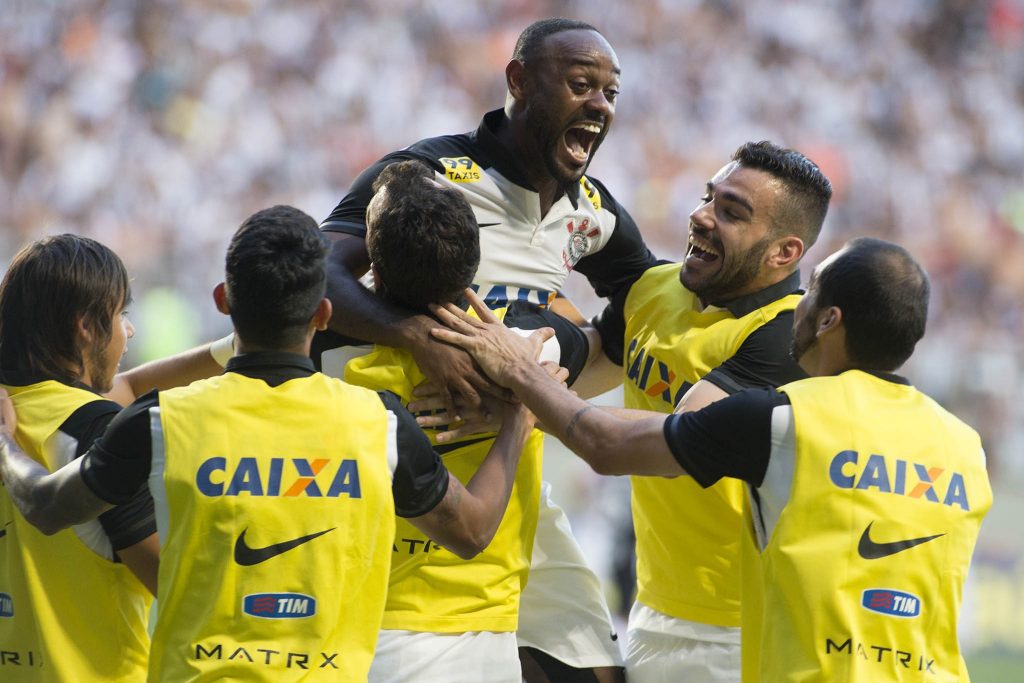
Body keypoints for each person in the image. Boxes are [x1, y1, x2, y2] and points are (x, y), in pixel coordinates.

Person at [0, 206, 539, 682]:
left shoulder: (159, 423)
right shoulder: (377, 423)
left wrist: (7, 444)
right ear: (323, 315)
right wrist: (519, 413)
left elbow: (46, 505)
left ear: (223, 301)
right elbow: (472, 531)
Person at [428, 237, 993, 682]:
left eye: (813, 288)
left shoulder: (785, 419)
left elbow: (605, 443)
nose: (799, 300)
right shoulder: (964, 448)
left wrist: (518, 375)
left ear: (829, 319)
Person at [318, 18, 657, 680]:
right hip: (396, 462)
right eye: (581, 83)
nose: (599, 105)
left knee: (590, 664)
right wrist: (413, 335)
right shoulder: (430, 173)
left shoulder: (595, 213)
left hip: (509, 466)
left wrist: (540, 376)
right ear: (518, 81)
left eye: (611, 92)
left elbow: (639, 308)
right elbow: (321, 270)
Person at [326, 159, 593, 682]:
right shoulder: (532, 356)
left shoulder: (322, 356)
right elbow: (598, 333)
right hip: (479, 639)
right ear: (473, 268)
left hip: (356, 637)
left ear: (373, 270)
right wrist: (517, 404)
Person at [581, 140, 832, 681]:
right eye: (707, 198)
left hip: (740, 628)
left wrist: (521, 376)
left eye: (730, 212)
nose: (700, 216)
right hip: (655, 603)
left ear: (784, 253)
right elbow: (580, 374)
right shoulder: (657, 288)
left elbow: (670, 441)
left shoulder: (789, 334)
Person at [0, 233, 223, 681]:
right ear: (85, 326)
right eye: (121, 313)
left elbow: (133, 388)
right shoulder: (98, 432)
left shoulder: (19, 407)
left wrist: (247, 348)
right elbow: (177, 590)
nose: (130, 329)